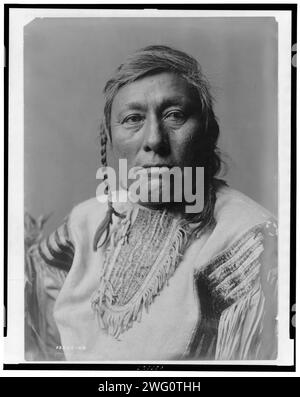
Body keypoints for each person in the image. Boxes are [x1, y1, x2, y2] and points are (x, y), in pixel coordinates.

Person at [25, 45, 278, 361]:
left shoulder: (247, 237)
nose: (154, 140)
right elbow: (37, 326)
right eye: (132, 119)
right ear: (111, 140)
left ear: (209, 133)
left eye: (175, 115)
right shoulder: (87, 221)